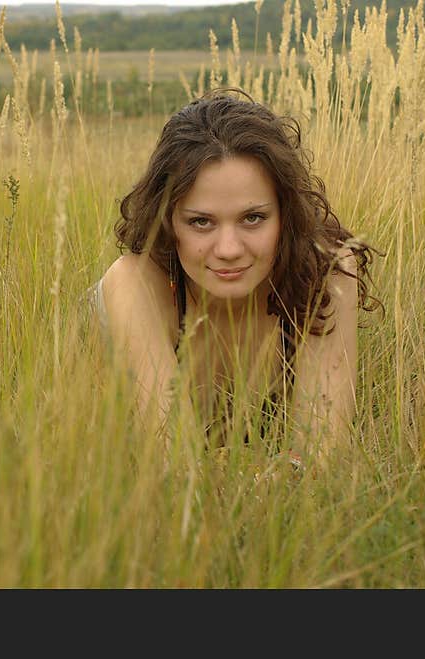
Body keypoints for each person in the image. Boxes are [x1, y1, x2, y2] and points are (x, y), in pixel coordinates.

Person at [90, 89, 381, 468]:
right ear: (168, 220)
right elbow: (174, 466)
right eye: (201, 221)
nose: (228, 248)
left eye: (253, 218)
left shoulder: (325, 272)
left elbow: (320, 456)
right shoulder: (136, 282)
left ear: (287, 214)